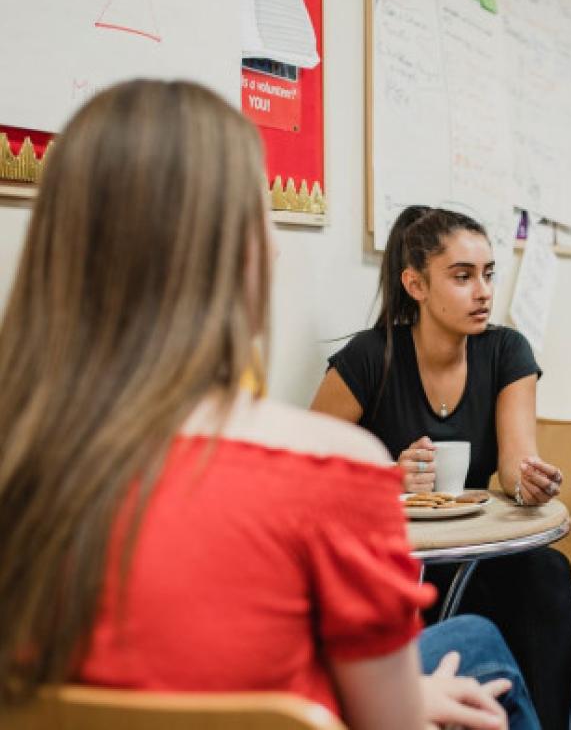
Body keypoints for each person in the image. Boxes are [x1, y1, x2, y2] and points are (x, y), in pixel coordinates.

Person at [0, 79, 537, 730]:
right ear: (239, 255)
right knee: (477, 645)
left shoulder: (21, 452)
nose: (278, 246)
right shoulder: (335, 468)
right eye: (264, 218)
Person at [310, 206, 571, 730]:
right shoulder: (371, 357)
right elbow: (306, 472)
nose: (482, 291)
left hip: (476, 556)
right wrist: (387, 478)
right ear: (416, 285)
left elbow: (514, 463)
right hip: (392, 559)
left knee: (545, 574)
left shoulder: (506, 351)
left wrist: (528, 481)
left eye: (488, 274)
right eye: (462, 277)